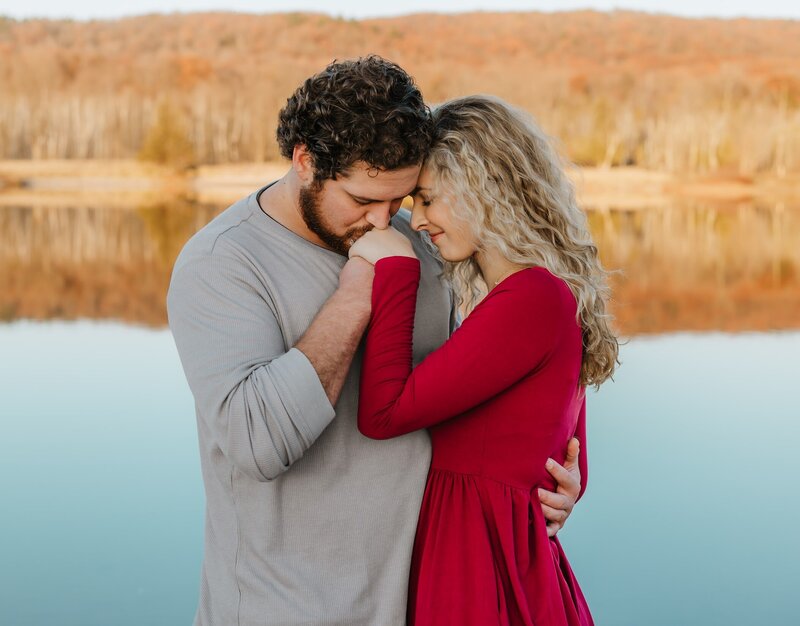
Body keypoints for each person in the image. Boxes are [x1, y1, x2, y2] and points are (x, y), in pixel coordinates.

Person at [167, 57, 582, 626]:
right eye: (363, 201)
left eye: (401, 200)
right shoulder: (225, 264)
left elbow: (490, 366)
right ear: (306, 161)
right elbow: (257, 441)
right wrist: (363, 286)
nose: (384, 221)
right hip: (287, 608)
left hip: (418, 596)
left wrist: (551, 469)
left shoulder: (421, 245)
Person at [350, 95, 619, 625]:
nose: (416, 220)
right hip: (488, 552)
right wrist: (568, 490)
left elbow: (383, 415)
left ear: (483, 187)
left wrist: (395, 271)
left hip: (479, 567)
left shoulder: (531, 299)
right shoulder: (532, 296)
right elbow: (571, 459)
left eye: (427, 199)